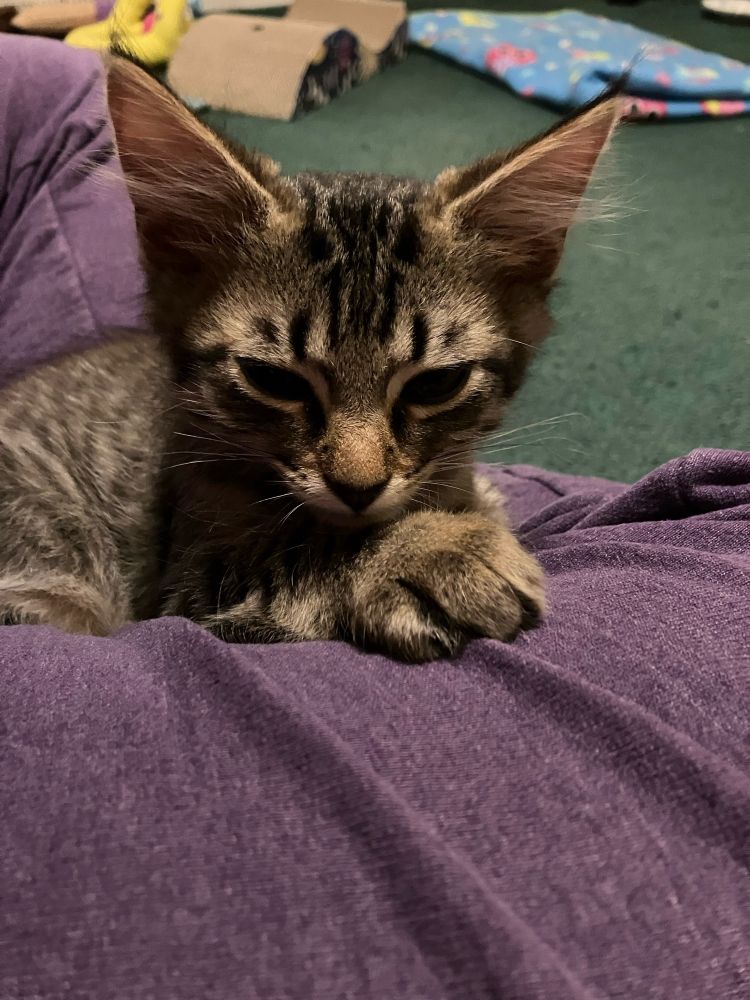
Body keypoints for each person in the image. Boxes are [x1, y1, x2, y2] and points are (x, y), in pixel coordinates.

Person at [1, 33, 748, 1000]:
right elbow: (199, 591)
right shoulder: (211, 457)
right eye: (275, 378)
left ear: (527, 273)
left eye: (431, 383)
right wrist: (368, 565)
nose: (358, 463)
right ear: (177, 257)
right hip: (46, 487)